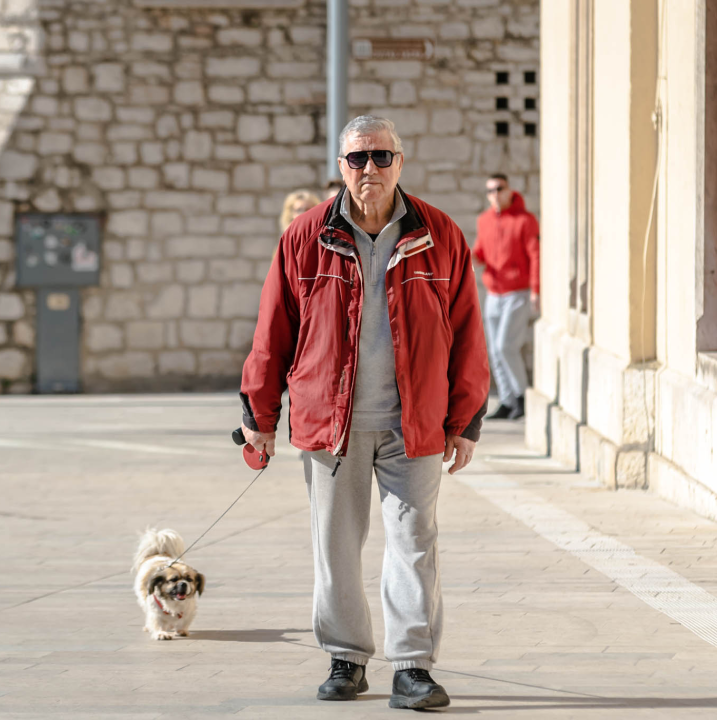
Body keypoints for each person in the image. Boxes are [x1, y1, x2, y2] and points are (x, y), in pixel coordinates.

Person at [239, 115, 489, 710]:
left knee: (414, 542)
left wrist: (466, 419)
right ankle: (346, 659)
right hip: (332, 424)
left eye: (381, 156)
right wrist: (259, 415)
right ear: (341, 166)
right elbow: (273, 331)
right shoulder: (306, 235)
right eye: (357, 158)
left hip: (415, 423)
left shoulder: (439, 233)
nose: (369, 168)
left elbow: (466, 331)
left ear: (400, 162)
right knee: (336, 546)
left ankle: (412, 667)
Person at [472, 173, 540, 420]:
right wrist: (467, 257)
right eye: (490, 191)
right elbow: (480, 252)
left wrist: (536, 290)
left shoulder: (525, 220)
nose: (495, 194)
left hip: (517, 293)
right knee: (494, 350)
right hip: (494, 294)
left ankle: (522, 396)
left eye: (499, 189)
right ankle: (507, 400)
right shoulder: (484, 220)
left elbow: (535, 256)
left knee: (506, 346)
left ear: (509, 190)